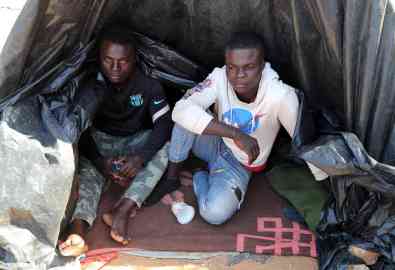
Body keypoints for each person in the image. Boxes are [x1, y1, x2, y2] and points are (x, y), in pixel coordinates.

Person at [59, 23, 172, 256]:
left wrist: (141, 157)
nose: (115, 67)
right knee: (85, 171)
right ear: (99, 57)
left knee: (170, 145)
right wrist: (101, 162)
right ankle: (78, 231)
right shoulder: (90, 83)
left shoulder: (148, 84)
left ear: (134, 59)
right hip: (100, 142)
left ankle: (123, 209)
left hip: (136, 140)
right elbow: (78, 131)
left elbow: (163, 124)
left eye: (123, 61)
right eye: (108, 60)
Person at [165, 32, 300, 225]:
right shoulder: (220, 77)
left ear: (262, 66)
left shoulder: (280, 95)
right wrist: (235, 134)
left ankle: (200, 174)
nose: (239, 76)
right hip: (216, 141)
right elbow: (180, 110)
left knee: (214, 213)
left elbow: (305, 140)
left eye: (249, 67)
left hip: (239, 163)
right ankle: (171, 179)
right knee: (185, 118)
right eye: (232, 67)